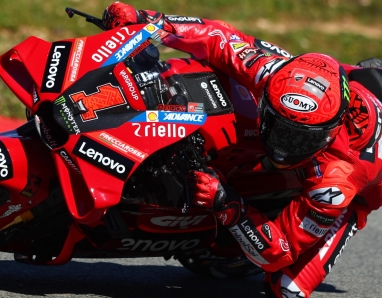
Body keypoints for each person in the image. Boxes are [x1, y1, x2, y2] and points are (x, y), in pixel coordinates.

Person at [103, 2, 382, 297]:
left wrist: (228, 204)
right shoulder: (275, 73)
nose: (283, 147)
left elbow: (279, 252)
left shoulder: (337, 182)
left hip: (361, 187)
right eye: (279, 127)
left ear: (333, 128)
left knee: (288, 290)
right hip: (350, 80)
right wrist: (149, 21)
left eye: (299, 139)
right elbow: (218, 38)